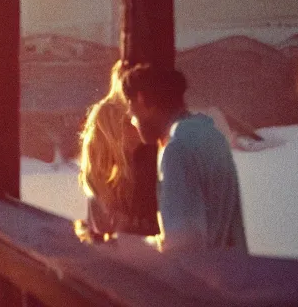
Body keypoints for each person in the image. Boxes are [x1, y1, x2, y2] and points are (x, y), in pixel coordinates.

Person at [120, 63, 248, 253]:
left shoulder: (176, 149)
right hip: (228, 275)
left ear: (141, 99)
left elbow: (182, 244)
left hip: (199, 279)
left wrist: (125, 249)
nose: (131, 118)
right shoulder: (211, 135)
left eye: (130, 108)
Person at [78, 60, 159, 240]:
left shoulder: (101, 115)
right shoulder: (127, 117)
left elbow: (92, 174)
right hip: (134, 224)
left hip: (108, 223)